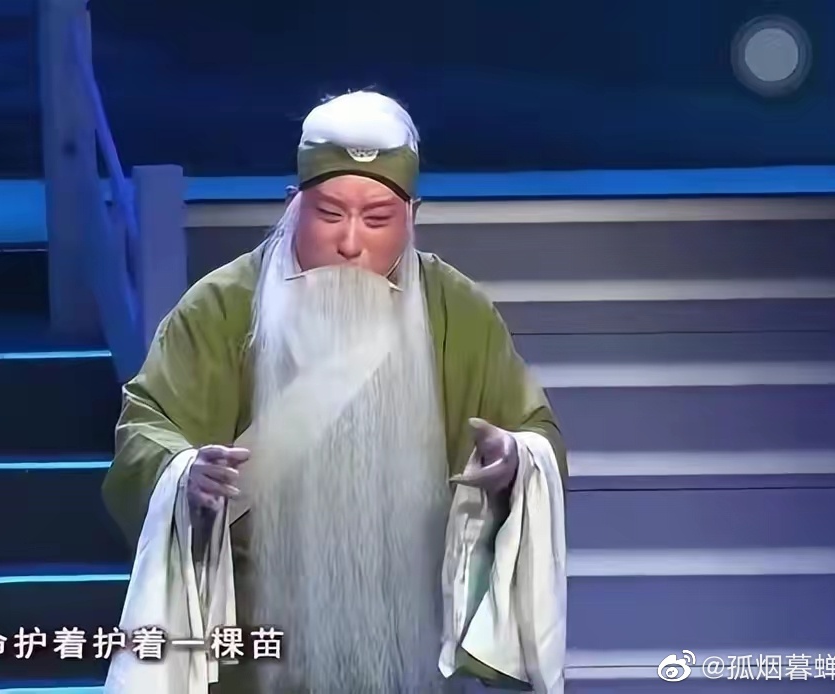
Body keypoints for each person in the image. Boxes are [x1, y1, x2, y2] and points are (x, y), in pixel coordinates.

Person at [102, 90, 567, 694]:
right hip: (256, 634)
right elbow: (146, 428)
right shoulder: (222, 308)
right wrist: (183, 474)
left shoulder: (457, 311)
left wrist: (518, 461)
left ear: (413, 215)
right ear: (292, 204)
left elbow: (535, 430)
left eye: (377, 220)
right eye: (328, 215)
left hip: (410, 627)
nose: (351, 242)